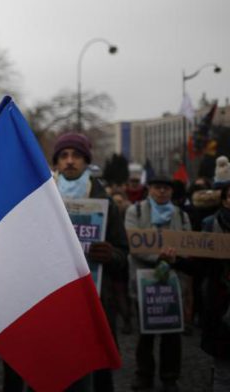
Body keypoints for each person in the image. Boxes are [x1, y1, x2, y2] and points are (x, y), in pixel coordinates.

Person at [52, 132, 128, 391]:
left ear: (86, 161)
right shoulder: (43, 198)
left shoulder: (104, 199)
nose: (70, 161)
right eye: (64, 155)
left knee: (94, 374)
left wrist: (111, 254)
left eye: (76, 155)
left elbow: (122, 252)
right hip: (53, 300)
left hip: (94, 301)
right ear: (57, 162)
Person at [126, 175, 190, 392]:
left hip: (172, 284)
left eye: (166, 189)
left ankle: (170, 377)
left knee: (172, 335)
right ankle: (144, 375)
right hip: (143, 282)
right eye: (157, 188)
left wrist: (176, 257)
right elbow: (134, 243)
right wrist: (161, 256)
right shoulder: (134, 211)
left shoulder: (181, 215)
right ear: (149, 190)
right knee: (145, 335)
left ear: (171, 192)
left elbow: (188, 244)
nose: (162, 192)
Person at [200, 183, 230, 391]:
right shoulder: (210, 224)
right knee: (223, 370)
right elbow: (199, 265)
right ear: (224, 199)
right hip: (220, 303)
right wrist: (174, 259)